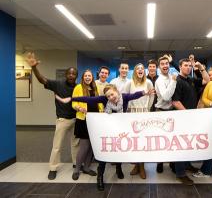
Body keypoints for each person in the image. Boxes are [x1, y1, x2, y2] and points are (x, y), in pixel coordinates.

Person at [57, 84, 154, 190]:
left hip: (120, 129)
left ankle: (118, 168)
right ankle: (100, 176)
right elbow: (88, 99)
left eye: (112, 94)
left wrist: (144, 93)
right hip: (107, 130)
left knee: (119, 150)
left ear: (117, 91)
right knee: (105, 151)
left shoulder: (124, 97)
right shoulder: (104, 99)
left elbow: (134, 95)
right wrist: (71, 98)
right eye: (108, 96)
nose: (111, 97)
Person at [25, 52, 79, 180]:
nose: (71, 75)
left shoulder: (78, 87)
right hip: (63, 120)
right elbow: (42, 80)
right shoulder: (57, 84)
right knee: (57, 145)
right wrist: (34, 68)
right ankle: (53, 168)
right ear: (66, 74)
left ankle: (76, 165)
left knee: (76, 144)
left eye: (74, 73)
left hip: (76, 119)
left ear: (76, 76)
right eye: (69, 73)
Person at [171, 58, 204, 185]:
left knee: (188, 143)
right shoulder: (177, 81)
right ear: (180, 66)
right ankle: (180, 173)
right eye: (185, 65)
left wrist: (200, 68)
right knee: (180, 145)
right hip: (182, 118)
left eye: (190, 66)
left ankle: (187, 164)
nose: (188, 68)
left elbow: (206, 80)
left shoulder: (190, 79)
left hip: (190, 117)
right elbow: (175, 101)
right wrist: (188, 113)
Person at [71, 69, 103, 180]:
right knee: (84, 146)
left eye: (89, 76)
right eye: (86, 76)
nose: (88, 78)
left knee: (91, 146)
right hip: (83, 120)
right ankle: (77, 169)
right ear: (83, 77)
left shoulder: (95, 88)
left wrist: (101, 111)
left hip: (95, 119)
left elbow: (99, 102)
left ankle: (87, 168)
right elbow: (74, 102)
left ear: (92, 77)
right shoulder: (78, 88)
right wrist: (79, 107)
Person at [124, 63, 154, 179]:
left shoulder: (148, 83)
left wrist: (147, 109)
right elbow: (125, 97)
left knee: (142, 142)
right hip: (132, 113)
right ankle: (136, 165)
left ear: (144, 72)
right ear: (135, 71)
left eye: (142, 69)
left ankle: (142, 167)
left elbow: (151, 97)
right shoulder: (129, 83)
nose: (140, 70)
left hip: (144, 113)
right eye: (138, 69)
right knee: (134, 141)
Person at [154, 55, 177, 173]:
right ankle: (160, 163)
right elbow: (166, 96)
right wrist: (173, 81)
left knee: (172, 140)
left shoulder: (171, 76)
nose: (165, 65)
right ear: (159, 67)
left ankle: (172, 163)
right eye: (162, 64)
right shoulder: (159, 80)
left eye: (167, 63)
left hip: (172, 112)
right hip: (161, 112)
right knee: (161, 140)